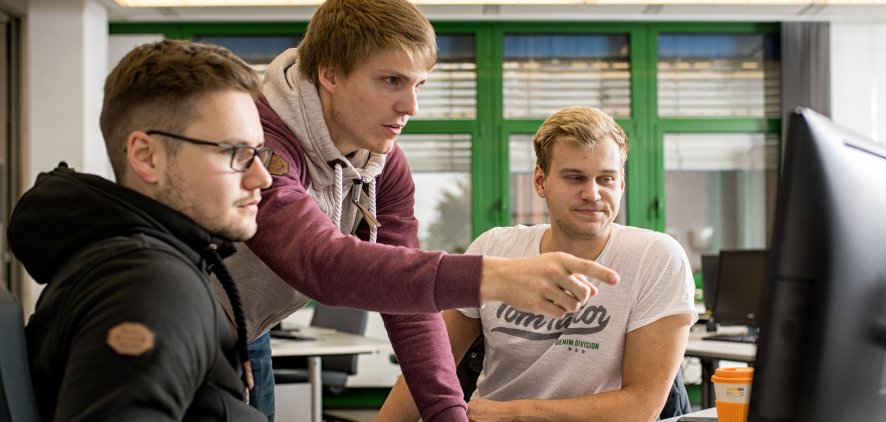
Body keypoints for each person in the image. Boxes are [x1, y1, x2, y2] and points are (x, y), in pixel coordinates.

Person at [223, 1, 620, 421]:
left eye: (419, 85)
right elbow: (319, 263)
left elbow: (408, 305)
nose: (410, 106)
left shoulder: (383, 162)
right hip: (176, 322)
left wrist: (448, 415)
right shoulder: (259, 137)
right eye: (391, 81)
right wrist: (495, 277)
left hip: (249, 331)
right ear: (331, 73)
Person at [378, 106, 698, 421]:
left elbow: (641, 408)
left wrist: (514, 413)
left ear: (622, 184)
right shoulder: (495, 248)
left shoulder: (656, 257)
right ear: (540, 181)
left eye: (606, 179)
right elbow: (429, 366)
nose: (593, 193)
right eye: (575, 178)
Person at [10, 40, 272, 420]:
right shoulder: (150, 284)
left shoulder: (139, 261)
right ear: (147, 157)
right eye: (235, 153)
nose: (261, 177)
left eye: (259, 152)